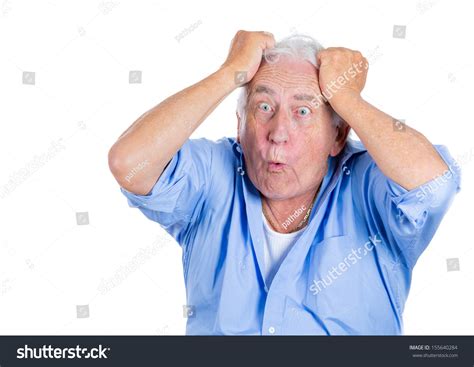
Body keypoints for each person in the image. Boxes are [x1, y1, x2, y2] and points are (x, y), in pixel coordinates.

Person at [108, 31, 461, 335]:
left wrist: (347, 97)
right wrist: (229, 73)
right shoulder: (214, 176)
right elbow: (129, 162)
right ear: (239, 125)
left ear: (337, 135)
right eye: (263, 107)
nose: (278, 133)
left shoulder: (369, 185)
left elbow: (433, 184)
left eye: (303, 111)